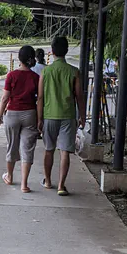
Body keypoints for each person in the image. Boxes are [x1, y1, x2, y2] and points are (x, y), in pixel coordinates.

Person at [37, 34, 86, 197]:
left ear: (52, 51)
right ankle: (61, 185)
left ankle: (48, 181)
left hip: (49, 115)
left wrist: (39, 118)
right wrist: (83, 115)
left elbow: (41, 97)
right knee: (65, 151)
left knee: (49, 149)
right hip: (68, 116)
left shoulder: (46, 71)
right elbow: (79, 96)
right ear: (66, 51)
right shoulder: (74, 72)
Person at [0, 45, 40, 193]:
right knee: (27, 149)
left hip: (12, 114)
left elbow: (5, 98)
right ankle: (24, 184)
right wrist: (40, 119)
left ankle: (10, 176)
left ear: (19, 58)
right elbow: (40, 100)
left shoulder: (12, 75)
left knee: (12, 146)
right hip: (30, 114)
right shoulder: (36, 77)